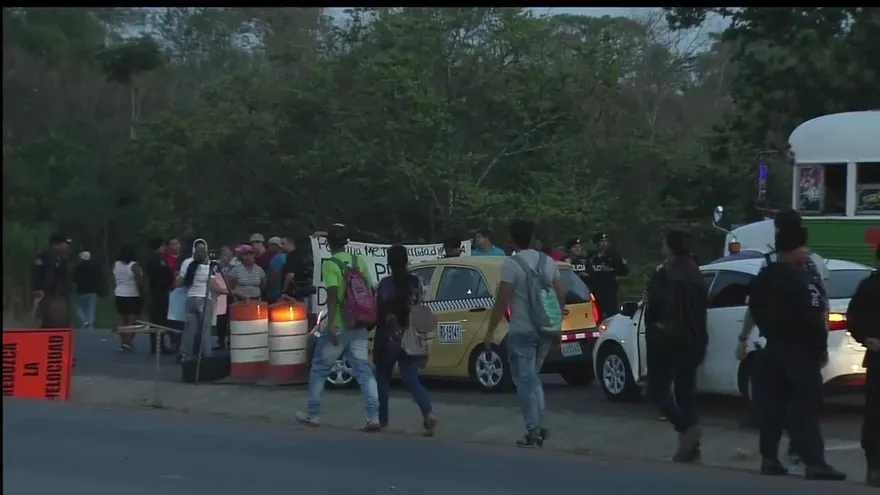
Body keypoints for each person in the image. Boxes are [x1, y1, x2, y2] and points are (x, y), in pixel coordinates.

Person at [747, 222, 846, 481]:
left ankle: (769, 457)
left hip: (772, 348)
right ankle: (814, 461)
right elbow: (813, 317)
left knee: (773, 407)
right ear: (795, 250)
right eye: (804, 248)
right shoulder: (802, 279)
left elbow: (754, 308)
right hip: (801, 352)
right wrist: (820, 348)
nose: (806, 253)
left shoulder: (763, 277)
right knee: (806, 407)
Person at [735, 209, 829, 461]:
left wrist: (744, 337)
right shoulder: (816, 262)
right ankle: (803, 452)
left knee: (777, 402)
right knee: (805, 401)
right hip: (806, 343)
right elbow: (822, 304)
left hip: (775, 342)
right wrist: (822, 343)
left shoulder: (770, 264)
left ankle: (774, 456)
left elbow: (755, 305)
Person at [484, 220, 564, 447]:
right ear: (531, 237)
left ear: (512, 239)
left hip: (522, 329)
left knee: (525, 380)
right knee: (534, 376)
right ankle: (540, 424)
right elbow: (560, 294)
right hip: (546, 329)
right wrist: (557, 326)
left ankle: (533, 430)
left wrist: (490, 333)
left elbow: (502, 301)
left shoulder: (511, 264)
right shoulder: (548, 262)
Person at [296, 223, 380, 431]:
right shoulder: (357, 260)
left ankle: (312, 414)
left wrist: (331, 323)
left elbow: (332, 297)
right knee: (364, 371)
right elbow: (370, 289)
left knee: (319, 369)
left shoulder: (330, 264)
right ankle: (373, 416)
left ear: (328, 243)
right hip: (359, 325)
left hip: (340, 326)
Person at [644, 230, 708, 462]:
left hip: (668, 339)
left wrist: (653, 327)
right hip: (695, 339)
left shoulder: (666, 274)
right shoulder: (695, 273)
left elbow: (655, 307)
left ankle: (685, 428)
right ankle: (690, 448)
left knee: (657, 389)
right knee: (685, 392)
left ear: (669, 247)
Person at [374, 244, 436, 435]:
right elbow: (419, 309)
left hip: (388, 338)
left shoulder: (385, 285)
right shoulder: (415, 283)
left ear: (389, 263)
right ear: (407, 261)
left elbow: (379, 312)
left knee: (383, 379)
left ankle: (383, 421)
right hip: (411, 336)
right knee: (411, 379)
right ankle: (428, 413)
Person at [847, 244, 880, 487]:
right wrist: (867, 337)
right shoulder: (870, 286)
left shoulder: (868, 286)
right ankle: (875, 466)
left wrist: (865, 337)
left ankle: (875, 466)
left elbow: (854, 318)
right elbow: (854, 318)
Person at [177, 239, 227, 362]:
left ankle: (185, 355)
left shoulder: (188, 264)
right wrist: (228, 291)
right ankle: (206, 355)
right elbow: (213, 286)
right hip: (204, 300)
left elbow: (180, 283)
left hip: (190, 299)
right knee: (204, 330)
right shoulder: (207, 268)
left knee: (190, 330)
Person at [31, 233, 73, 329]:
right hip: (52, 293)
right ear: (57, 244)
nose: (67, 246)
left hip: (52, 293)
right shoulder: (50, 257)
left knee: (52, 319)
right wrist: (51, 289)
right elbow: (48, 275)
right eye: (65, 243)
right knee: (53, 319)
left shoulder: (55, 256)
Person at [586, 232, 629, 320]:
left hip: (609, 289)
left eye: (605, 241)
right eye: (601, 241)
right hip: (595, 289)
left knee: (612, 313)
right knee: (596, 313)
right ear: (596, 243)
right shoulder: (590, 256)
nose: (604, 243)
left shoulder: (614, 256)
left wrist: (612, 270)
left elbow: (625, 271)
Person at [143, 238, 174, 354]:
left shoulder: (151, 260)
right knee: (159, 320)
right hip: (160, 292)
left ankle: (156, 345)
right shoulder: (159, 260)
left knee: (157, 320)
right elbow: (166, 274)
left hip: (154, 292)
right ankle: (158, 345)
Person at [113, 245, 144, 352]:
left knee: (122, 320)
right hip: (132, 294)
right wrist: (142, 294)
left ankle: (122, 342)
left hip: (119, 293)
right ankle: (129, 342)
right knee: (132, 321)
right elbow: (139, 281)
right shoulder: (134, 266)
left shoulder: (116, 264)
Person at [73, 249, 102, 329]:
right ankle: (90, 323)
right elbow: (99, 278)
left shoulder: (78, 267)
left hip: (81, 291)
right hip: (92, 291)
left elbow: (75, 280)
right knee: (90, 308)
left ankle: (84, 321)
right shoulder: (95, 266)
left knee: (78, 306)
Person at [266, 236, 289, 303]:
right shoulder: (288, 256)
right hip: (286, 292)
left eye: (270, 245)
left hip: (276, 292)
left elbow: (274, 275)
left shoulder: (277, 258)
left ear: (275, 246)